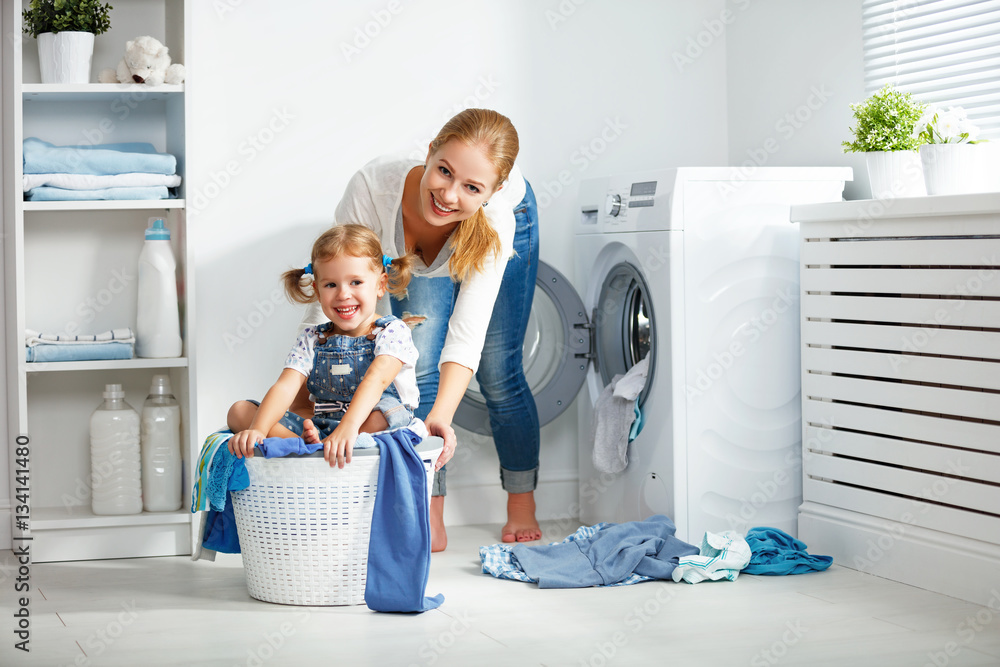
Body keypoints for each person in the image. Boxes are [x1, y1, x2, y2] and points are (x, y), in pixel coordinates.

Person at [229, 108, 541, 551]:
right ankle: (429, 508)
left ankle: (521, 502)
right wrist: (301, 376)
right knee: (422, 366)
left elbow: (465, 336)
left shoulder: (496, 219)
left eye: (470, 187)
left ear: (493, 190)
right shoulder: (373, 190)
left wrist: (441, 419)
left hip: (500, 228)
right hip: (408, 237)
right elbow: (333, 291)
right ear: (430, 151)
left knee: (499, 371)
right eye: (444, 172)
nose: (449, 196)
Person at [227, 224, 420, 469]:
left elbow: (377, 380)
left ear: (381, 285)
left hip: (366, 424)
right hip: (322, 423)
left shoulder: (392, 331)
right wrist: (258, 429)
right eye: (331, 285)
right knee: (239, 411)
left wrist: (349, 427)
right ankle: (315, 445)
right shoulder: (312, 338)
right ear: (318, 292)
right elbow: (286, 385)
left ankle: (329, 444)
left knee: (387, 413)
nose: (343, 294)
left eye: (356, 282)